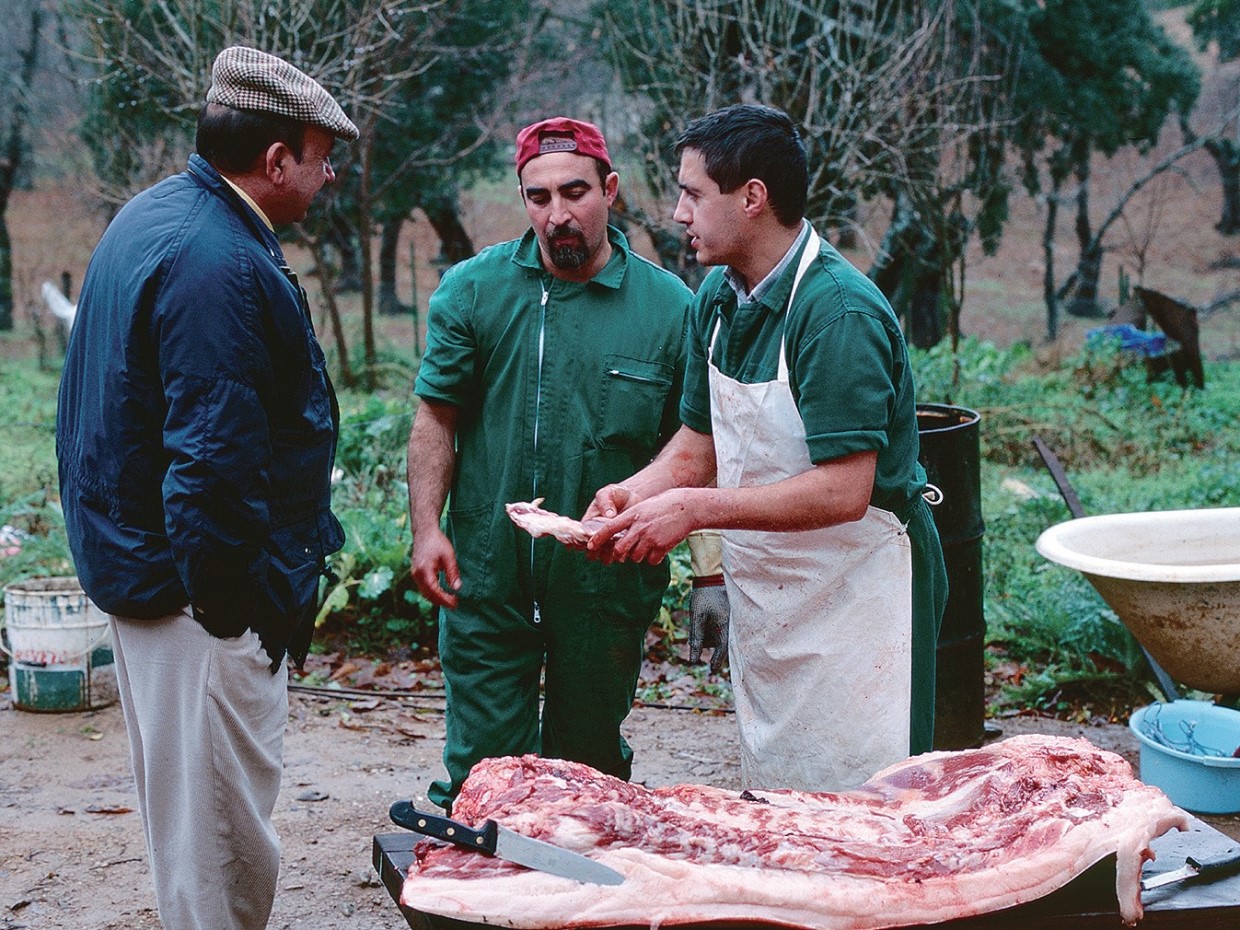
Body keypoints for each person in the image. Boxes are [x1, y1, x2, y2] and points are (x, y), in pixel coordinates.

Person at [56, 46, 357, 930]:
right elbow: (213, 461)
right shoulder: (216, 263)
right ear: (275, 162)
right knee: (217, 851)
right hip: (196, 603)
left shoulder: (156, 214)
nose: (329, 173)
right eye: (320, 153)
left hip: (149, 577)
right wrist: (234, 611)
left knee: (191, 836)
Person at [586, 104, 948, 792]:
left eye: (692, 194)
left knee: (870, 804)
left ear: (752, 197)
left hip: (863, 600)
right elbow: (698, 447)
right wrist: (638, 492)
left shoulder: (836, 313)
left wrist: (693, 510)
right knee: (785, 797)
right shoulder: (717, 301)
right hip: (779, 599)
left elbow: (846, 489)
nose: (677, 213)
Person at [407, 116, 694, 811]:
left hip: (604, 580)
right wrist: (427, 528)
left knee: (586, 783)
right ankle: (474, 910)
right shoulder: (474, 292)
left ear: (611, 189)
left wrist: (703, 565)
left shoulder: (671, 309)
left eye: (575, 193)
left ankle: (579, 912)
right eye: (539, 198)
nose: (557, 215)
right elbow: (434, 418)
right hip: (488, 573)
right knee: (483, 782)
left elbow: (696, 450)